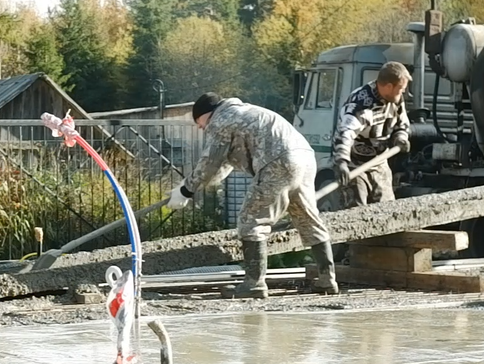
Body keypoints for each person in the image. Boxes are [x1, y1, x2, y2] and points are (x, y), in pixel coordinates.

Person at [166, 92, 339, 297]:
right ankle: (328, 279)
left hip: (277, 162)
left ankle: (254, 284)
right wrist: (190, 188)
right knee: (308, 219)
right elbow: (221, 167)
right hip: (304, 158)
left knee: (251, 222)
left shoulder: (220, 121)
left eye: (199, 121)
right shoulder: (244, 113)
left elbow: (209, 163)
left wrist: (186, 190)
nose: (200, 127)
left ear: (207, 114)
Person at [332, 61, 411, 207]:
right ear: (389, 86)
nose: (403, 93)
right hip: (355, 166)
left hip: (379, 163)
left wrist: (401, 137)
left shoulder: (396, 99)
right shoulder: (361, 106)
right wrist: (342, 162)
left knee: (387, 211)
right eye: (400, 89)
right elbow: (345, 133)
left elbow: (402, 123)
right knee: (356, 213)